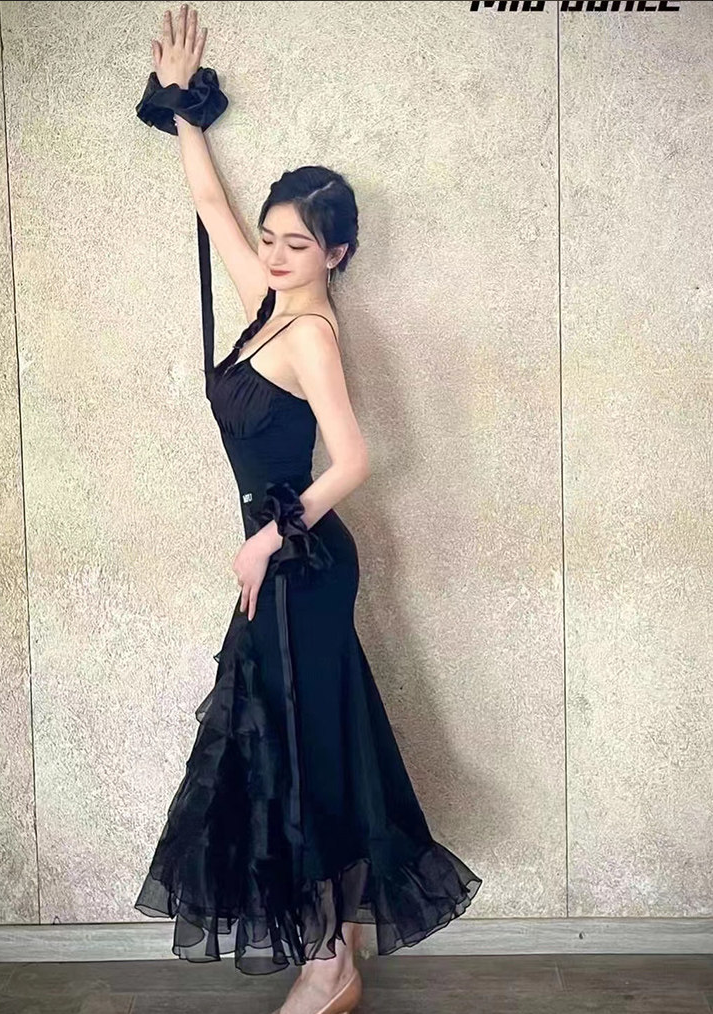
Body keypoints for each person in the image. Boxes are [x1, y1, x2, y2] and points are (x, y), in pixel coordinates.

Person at [133, 6, 482, 1013]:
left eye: (299, 243)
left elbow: (359, 458)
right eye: (273, 238)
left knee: (298, 754)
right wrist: (184, 108)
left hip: (301, 562)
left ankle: (330, 967)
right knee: (294, 748)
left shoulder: (312, 333)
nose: (279, 253)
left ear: (337, 252)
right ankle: (334, 953)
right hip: (282, 557)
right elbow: (211, 204)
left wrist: (264, 542)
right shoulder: (266, 303)